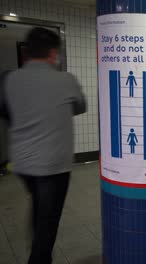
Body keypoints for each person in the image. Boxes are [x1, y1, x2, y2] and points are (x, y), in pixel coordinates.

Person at [1, 27, 87, 264]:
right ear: (53, 53)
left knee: (40, 207)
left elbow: (5, 110)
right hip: (53, 165)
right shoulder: (65, 79)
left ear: (27, 53)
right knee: (48, 221)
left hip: (22, 163)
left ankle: (40, 252)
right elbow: (80, 106)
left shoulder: (9, 78)